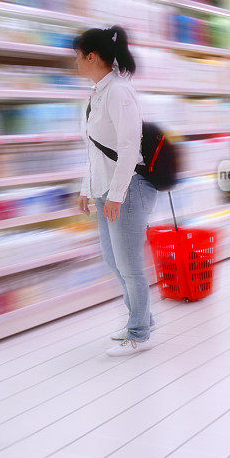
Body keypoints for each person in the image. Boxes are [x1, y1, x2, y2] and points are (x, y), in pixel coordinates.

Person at [74, 26, 158, 357]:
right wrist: (86, 189)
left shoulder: (119, 92)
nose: (76, 62)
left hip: (127, 189)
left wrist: (117, 194)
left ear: (92, 56)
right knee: (114, 259)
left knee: (129, 263)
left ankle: (139, 333)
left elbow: (127, 147)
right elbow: (95, 149)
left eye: (78, 56)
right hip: (104, 189)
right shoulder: (95, 94)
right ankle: (143, 319)